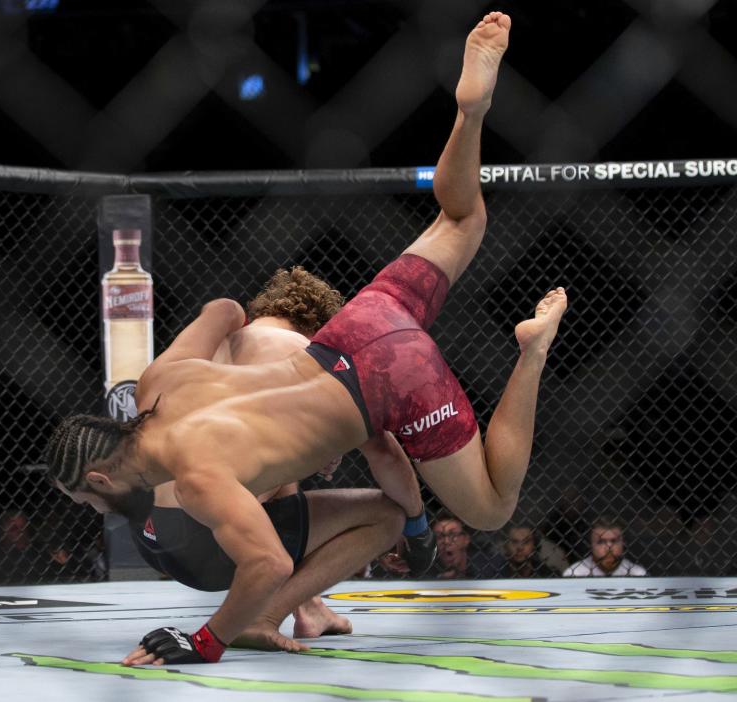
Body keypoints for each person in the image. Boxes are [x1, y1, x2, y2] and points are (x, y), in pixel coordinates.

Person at [49, 11, 568, 666]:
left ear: (99, 476)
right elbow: (223, 307)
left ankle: (533, 350)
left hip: (395, 379)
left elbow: (264, 562)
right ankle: (470, 113)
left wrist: (203, 641)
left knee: (492, 507)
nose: (96, 508)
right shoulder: (162, 382)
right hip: (358, 322)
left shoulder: (199, 477)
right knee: (463, 217)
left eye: (86, 499)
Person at [128, 265, 432, 645]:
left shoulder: (208, 347)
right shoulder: (308, 356)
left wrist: (311, 448)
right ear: (322, 329)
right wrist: (418, 529)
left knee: (278, 455)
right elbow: (385, 453)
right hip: (210, 545)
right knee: (388, 516)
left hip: (148, 534)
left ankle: (309, 606)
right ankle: (262, 617)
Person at [562, 518, 647, 577]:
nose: (608, 548)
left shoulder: (637, 574)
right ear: (591, 545)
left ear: (623, 543)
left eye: (614, 541)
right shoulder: (575, 574)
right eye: (601, 542)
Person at [484, 523, 558, 578]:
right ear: (505, 545)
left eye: (526, 542)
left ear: (534, 545)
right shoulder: (492, 574)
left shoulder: (547, 575)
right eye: (514, 542)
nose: (520, 547)